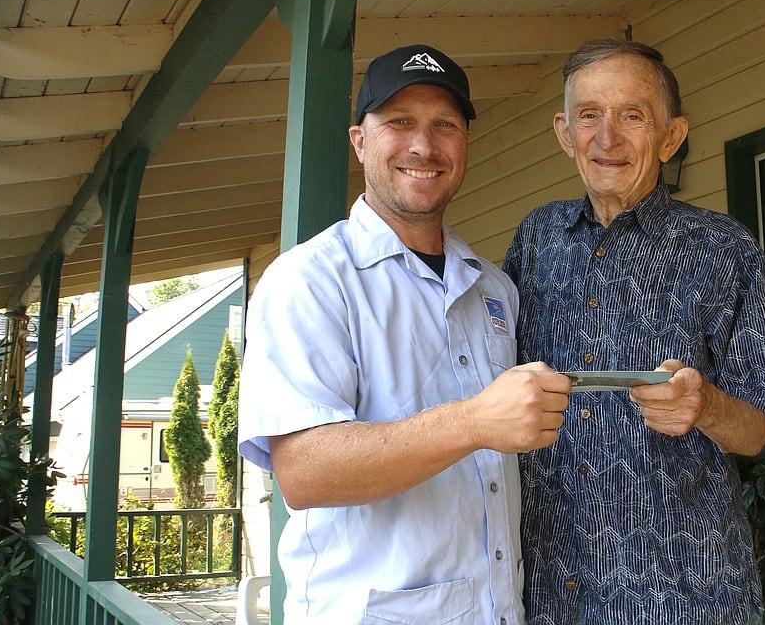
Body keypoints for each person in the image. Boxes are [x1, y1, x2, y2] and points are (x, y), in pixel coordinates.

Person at [238, 44, 571, 625]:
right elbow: (305, 472)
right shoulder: (310, 280)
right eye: (399, 122)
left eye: (445, 125)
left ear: (465, 144)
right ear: (359, 141)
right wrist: (474, 421)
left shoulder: (494, 287)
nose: (424, 145)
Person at [503, 38, 765, 625]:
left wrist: (704, 405)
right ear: (564, 133)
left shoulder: (723, 248)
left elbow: (756, 431)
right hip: (552, 594)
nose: (607, 138)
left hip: (683, 597)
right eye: (589, 115)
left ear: (671, 137)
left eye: (632, 116)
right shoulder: (535, 240)